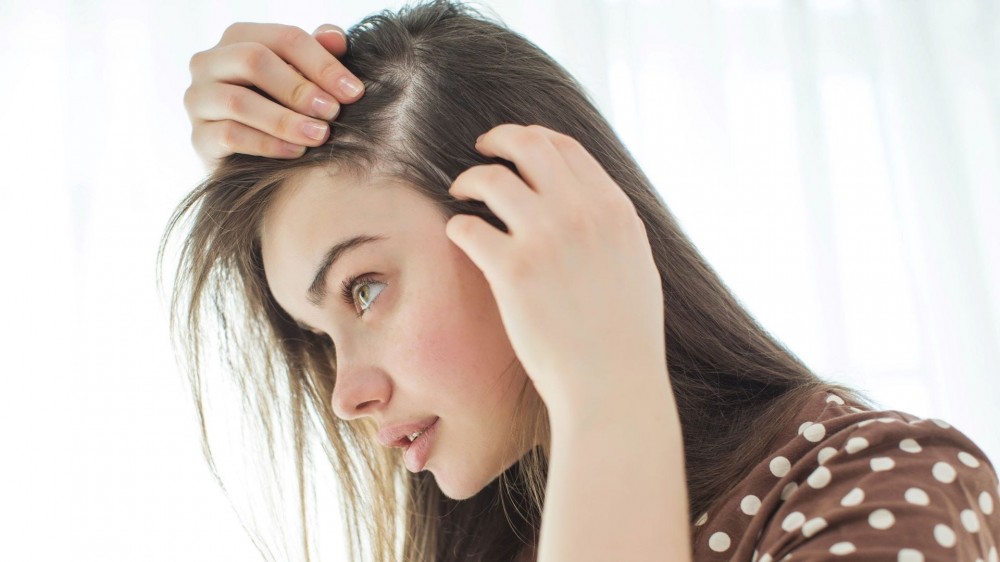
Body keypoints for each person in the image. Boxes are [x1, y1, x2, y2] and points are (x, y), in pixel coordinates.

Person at [165, 1, 1000, 561]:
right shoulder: (508, 521)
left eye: (364, 290)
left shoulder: (878, 479)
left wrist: (608, 383)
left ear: (536, 217)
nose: (343, 395)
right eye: (318, 334)